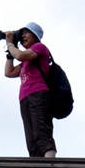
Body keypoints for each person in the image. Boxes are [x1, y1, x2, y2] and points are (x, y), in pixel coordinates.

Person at [5, 21, 57, 159]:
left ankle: (51, 165)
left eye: (27, 33)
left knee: (42, 133)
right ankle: (37, 166)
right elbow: (9, 72)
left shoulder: (40, 47)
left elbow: (21, 55)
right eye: (21, 34)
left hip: (39, 94)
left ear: (35, 35)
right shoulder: (25, 62)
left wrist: (10, 44)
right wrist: (10, 52)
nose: (23, 36)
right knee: (31, 138)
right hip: (25, 98)